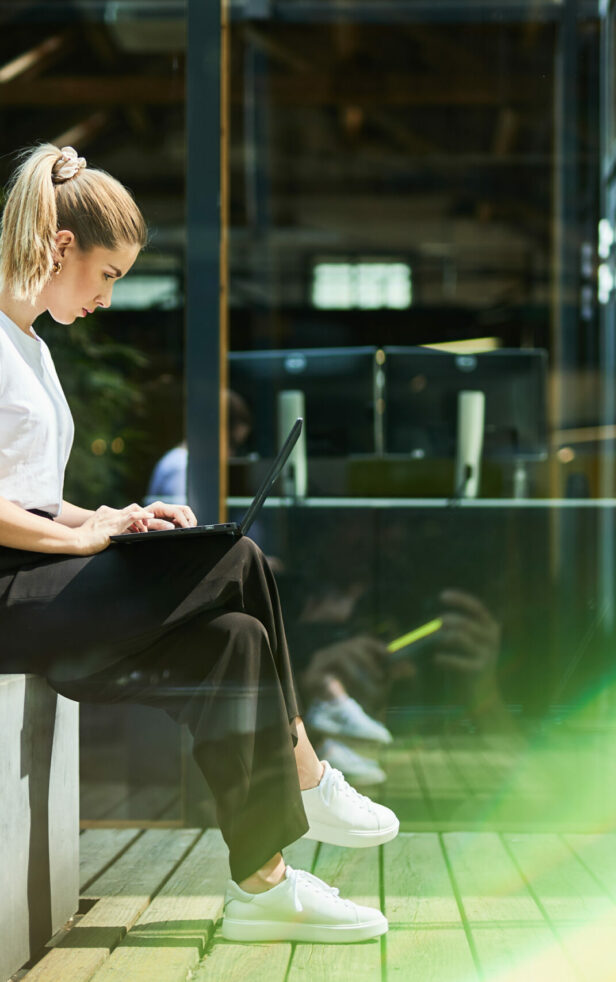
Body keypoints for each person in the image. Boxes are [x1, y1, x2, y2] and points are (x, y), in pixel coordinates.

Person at [0, 144, 399, 945]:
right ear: (62, 246)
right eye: (109, 274)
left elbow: (25, 493)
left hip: (43, 582)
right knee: (237, 557)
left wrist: (107, 515)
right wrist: (82, 544)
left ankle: (265, 887)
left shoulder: (32, 348)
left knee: (234, 641)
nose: (111, 298)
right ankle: (308, 773)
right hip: (13, 597)